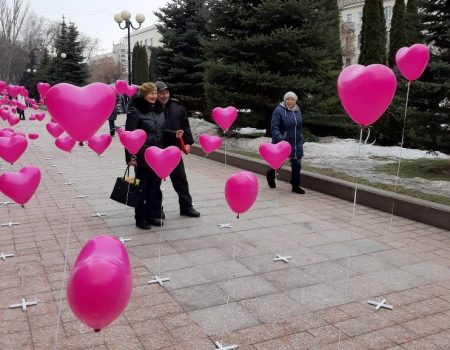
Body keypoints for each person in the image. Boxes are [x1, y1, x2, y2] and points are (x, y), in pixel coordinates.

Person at [125, 82, 170, 229]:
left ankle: (153, 215)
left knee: (154, 188)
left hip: (158, 157)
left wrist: (174, 135)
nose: (154, 96)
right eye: (151, 93)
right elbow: (129, 136)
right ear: (144, 94)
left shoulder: (159, 110)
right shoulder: (135, 111)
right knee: (142, 189)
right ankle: (141, 218)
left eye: (156, 93)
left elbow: (161, 132)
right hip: (142, 156)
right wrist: (131, 158)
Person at [155, 80, 200, 217]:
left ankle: (186, 207)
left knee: (181, 180)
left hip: (174, 150)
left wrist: (187, 141)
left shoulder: (176, 106)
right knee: (154, 183)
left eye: (166, 92)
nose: (164, 96)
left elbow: (185, 124)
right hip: (157, 151)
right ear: (155, 94)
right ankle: (157, 210)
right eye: (161, 93)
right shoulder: (150, 108)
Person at [266, 91, 305, 194]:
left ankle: (295, 185)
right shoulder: (278, 110)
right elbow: (274, 127)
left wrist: (301, 137)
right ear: (284, 100)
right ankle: (270, 175)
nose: (290, 101)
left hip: (296, 142)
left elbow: (299, 127)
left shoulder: (297, 110)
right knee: (278, 164)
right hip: (282, 142)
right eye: (288, 99)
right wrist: (280, 139)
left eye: (292, 99)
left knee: (297, 165)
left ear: (295, 100)